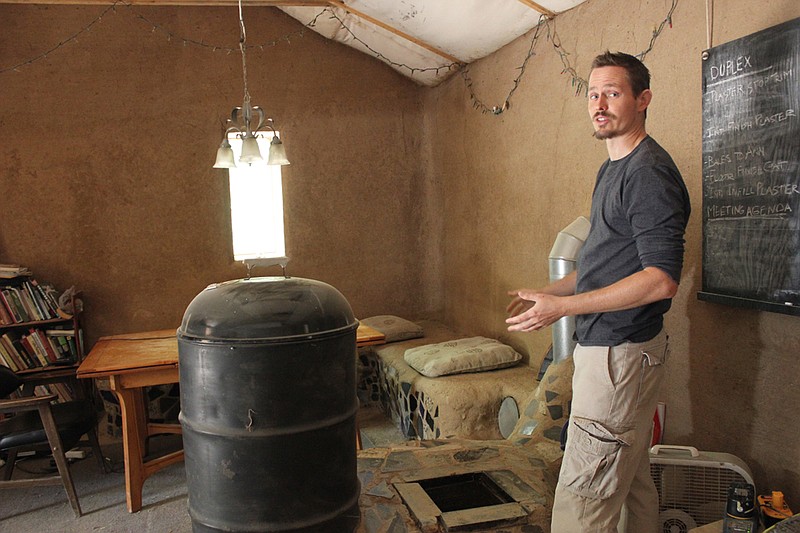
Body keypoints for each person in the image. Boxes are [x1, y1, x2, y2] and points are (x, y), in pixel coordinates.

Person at [506, 51, 691, 532]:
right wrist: (551, 292)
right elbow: (602, 263)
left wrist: (563, 307)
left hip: (619, 355)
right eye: (593, 94)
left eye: (612, 92)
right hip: (611, 351)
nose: (599, 104)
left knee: (583, 499)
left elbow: (660, 278)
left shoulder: (648, 172)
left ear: (643, 99)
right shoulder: (612, 167)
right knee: (629, 483)